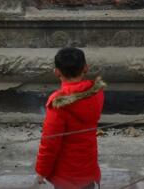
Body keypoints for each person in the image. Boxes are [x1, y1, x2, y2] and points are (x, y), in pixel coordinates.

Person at [36, 47, 105, 189]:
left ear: (57, 72)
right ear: (85, 68)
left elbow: (50, 142)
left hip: (66, 174)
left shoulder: (59, 104)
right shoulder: (96, 93)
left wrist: (42, 171)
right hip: (88, 168)